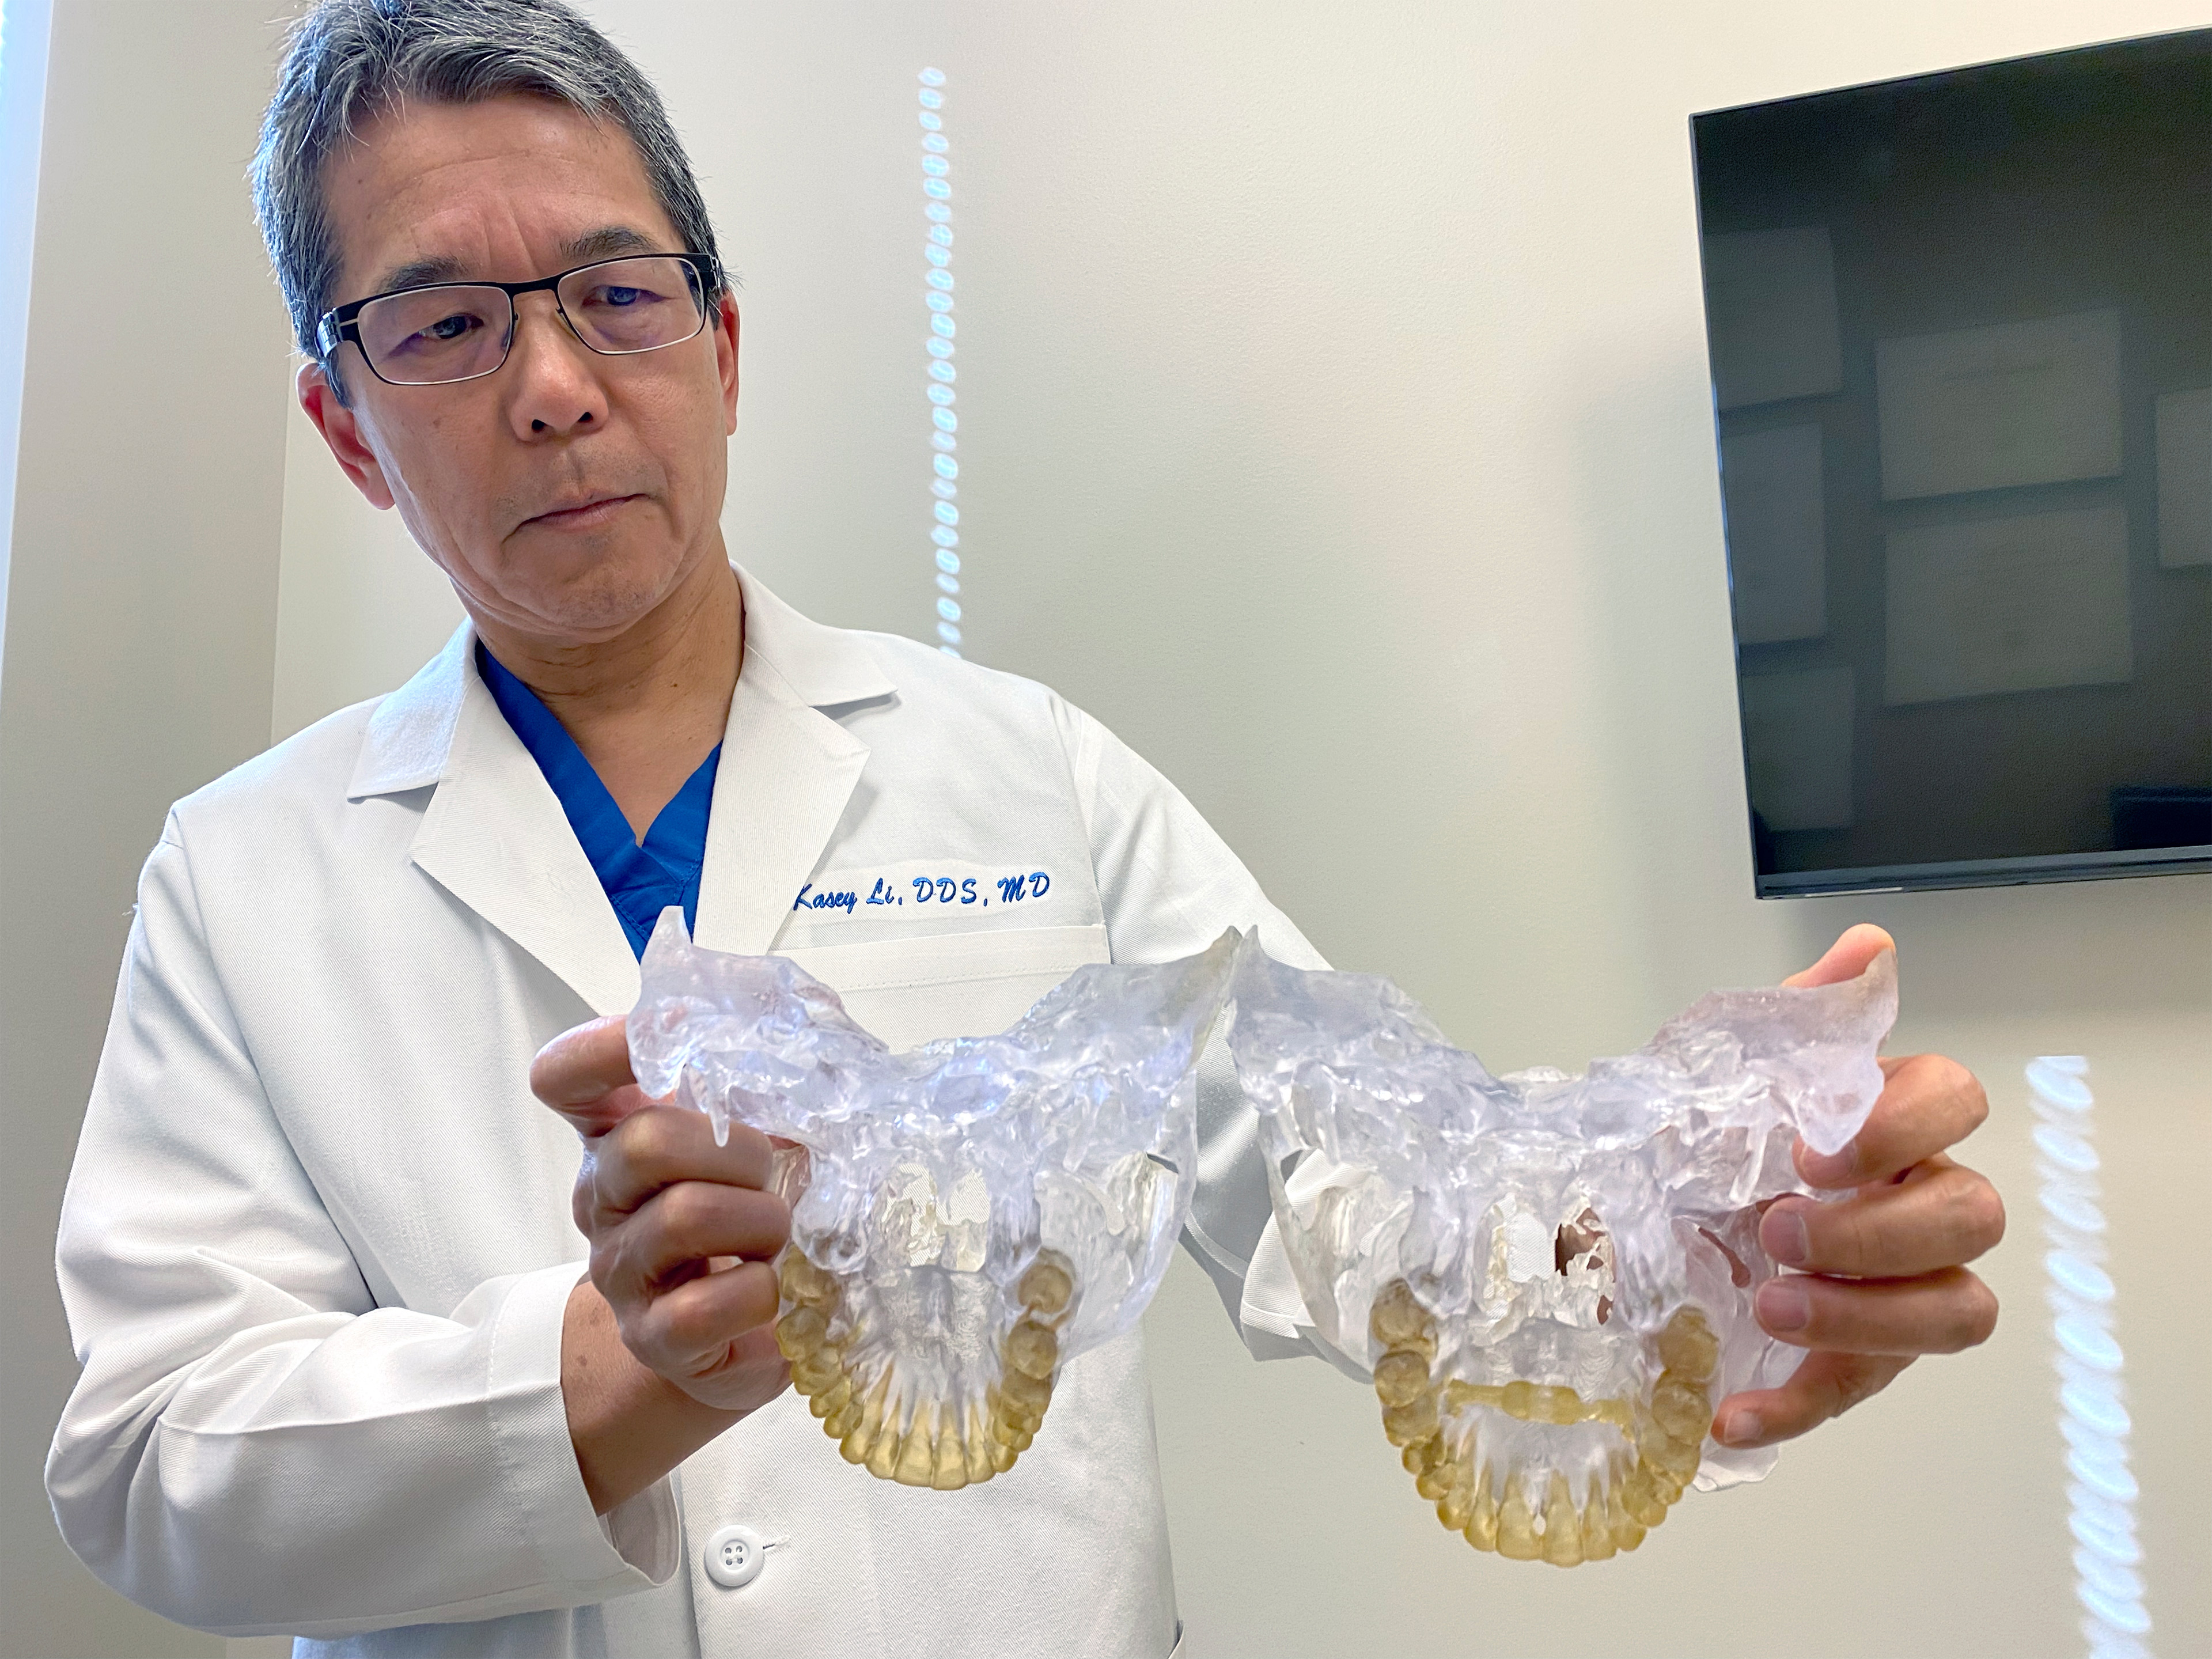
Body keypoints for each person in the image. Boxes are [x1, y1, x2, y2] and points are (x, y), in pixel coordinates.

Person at [45, 2, 2004, 1654]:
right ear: (343, 426)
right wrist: (611, 1374)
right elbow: (148, 1467)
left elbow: (1338, 1177)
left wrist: (1686, 1251)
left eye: (614, 296)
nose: (555, 385)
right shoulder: (241, 875)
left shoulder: (1028, 768)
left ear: (720, 351)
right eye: (446, 326)